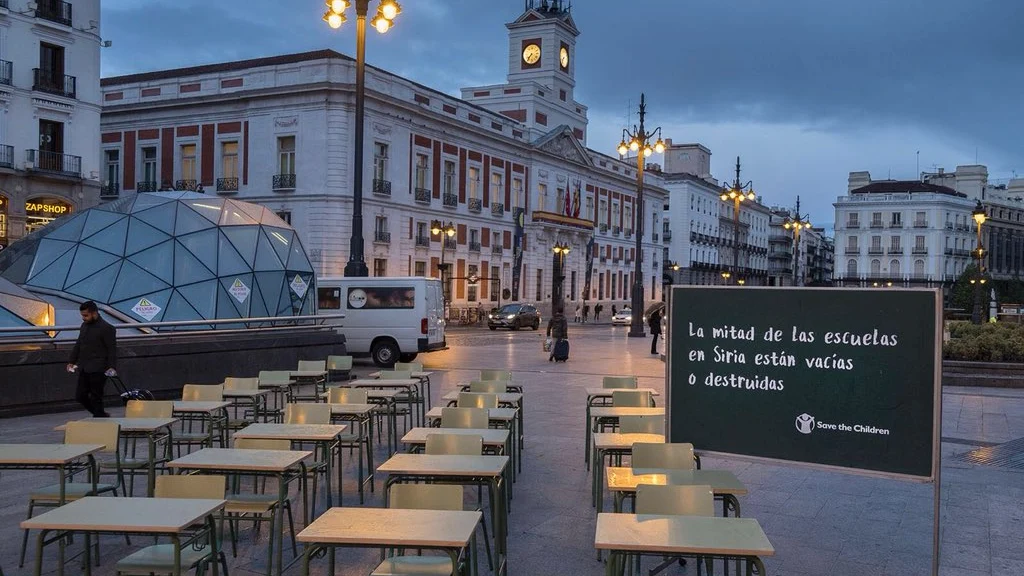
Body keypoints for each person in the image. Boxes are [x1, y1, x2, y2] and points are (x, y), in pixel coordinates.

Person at [67, 301, 117, 417]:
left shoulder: (107, 328)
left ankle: (99, 418)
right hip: (84, 367)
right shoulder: (84, 326)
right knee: (80, 396)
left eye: (86, 315)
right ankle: (100, 415)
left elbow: (112, 350)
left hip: (99, 368)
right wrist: (71, 361)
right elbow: (79, 344)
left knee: (96, 397)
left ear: (94, 313)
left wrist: (111, 367)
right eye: (82, 315)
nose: (83, 318)